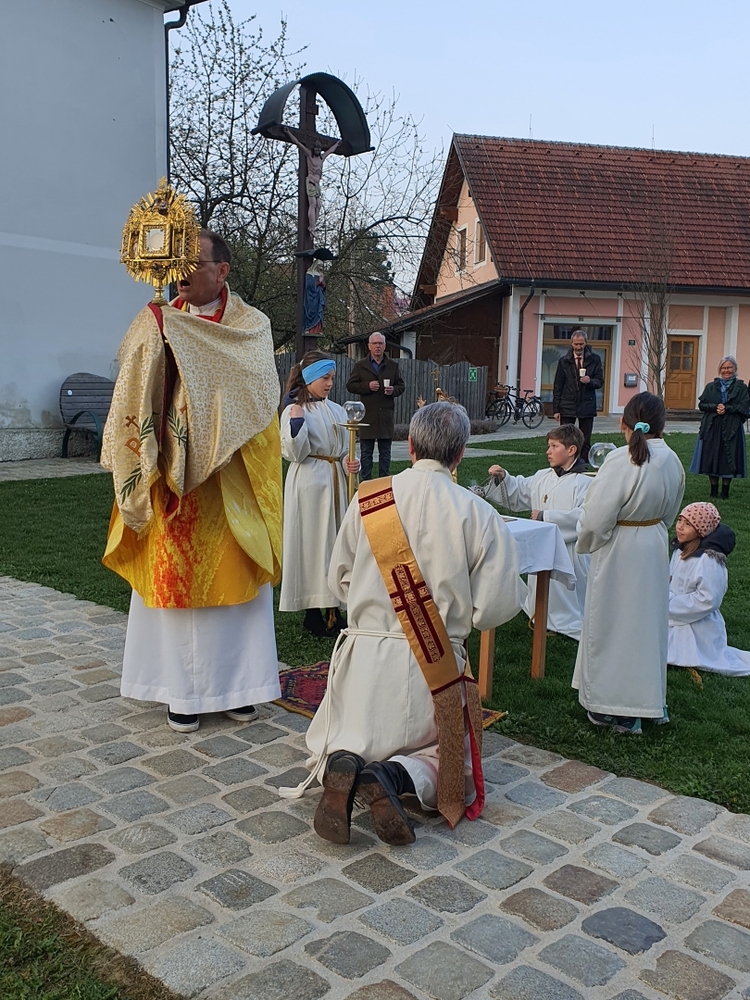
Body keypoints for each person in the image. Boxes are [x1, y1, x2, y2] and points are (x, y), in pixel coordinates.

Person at [280, 402, 524, 846]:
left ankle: (345, 761)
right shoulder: (477, 513)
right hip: (432, 665)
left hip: (363, 661)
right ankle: (393, 775)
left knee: (354, 734)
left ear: (409, 445)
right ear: (460, 454)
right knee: (451, 769)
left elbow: (339, 578)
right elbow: (496, 604)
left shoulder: (369, 498)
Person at [101, 229, 283, 733]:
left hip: (229, 484)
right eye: (176, 262)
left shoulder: (251, 326)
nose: (181, 272)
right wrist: (155, 346)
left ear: (222, 270)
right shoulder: (157, 317)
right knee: (176, 587)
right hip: (173, 482)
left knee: (234, 585)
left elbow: (255, 397)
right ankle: (180, 692)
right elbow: (133, 386)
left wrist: (188, 352)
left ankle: (240, 687)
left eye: (193, 262)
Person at [572, 392, 685, 734]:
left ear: (624, 423)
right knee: (644, 625)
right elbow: (671, 510)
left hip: (619, 548)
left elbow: (596, 518)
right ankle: (644, 701)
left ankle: (611, 706)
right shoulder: (672, 460)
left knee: (612, 623)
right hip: (651, 547)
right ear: (662, 425)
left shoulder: (620, 460)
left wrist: (588, 541)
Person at [279, 352, 360, 637]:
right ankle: (313, 612)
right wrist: (297, 423)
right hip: (310, 483)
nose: (330, 383)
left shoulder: (337, 410)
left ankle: (334, 608)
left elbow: (346, 447)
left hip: (334, 479)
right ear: (310, 378)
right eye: (325, 378)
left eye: (332, 378)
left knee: (336, 542)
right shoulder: (295, 409)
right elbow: (293, 452)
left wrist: (350, 462)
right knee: (313, 544)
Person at [485, 424, 591, 639]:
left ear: (571, 450)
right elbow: (520, 489)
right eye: (548, 445)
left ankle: (564, 618)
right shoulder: (543, 476)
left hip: (569, 551)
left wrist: (547, 517)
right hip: (544, 549)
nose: (548, 451)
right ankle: (539, 612)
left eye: (554, 446)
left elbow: (585, 516)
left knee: (566, 598)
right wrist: (504, 478)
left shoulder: (585, 482)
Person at [668, 503, 750, 676]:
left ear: (701, 529)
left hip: (695, 619)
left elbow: (708, 599)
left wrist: (671, 605)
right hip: (670, 609)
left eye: (688, 524)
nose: (680, 527)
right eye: (680, 520)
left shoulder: (708, 560)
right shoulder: (680, 549)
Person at [346, 332, 405, 480]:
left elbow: (401, 386)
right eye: (375, 343)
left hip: (385, 416)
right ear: (369, 346)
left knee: (385, 453)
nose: (377, 346)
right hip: (367, 416)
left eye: (380, 343)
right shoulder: (360, 366)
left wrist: (393, 390)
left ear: (384, 346)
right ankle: (365, 483)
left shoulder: (393, 366)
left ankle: (383, 483)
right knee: (366, 453)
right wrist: (367, 386)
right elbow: (350, 385)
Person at [689, 356, 749, 499]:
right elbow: (702, 405)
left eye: (729, 367)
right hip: (712, 426)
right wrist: (716, 407)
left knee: (728, 457)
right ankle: (713, 490)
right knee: (712, 456)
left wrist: (727, 408)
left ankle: (725, 491)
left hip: (732, 427)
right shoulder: (711, 386)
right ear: (720, 369)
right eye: (723, 368)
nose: (726, 370)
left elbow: (744, 408)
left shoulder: (741, 388)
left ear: (735, 369)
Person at [552, 330, 604, 464]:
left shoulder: (595, 359)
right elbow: (558, 385)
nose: (579, 347)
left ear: (586, 343)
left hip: (587, 404)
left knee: (585, 439)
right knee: (565, 438)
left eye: (581, 344)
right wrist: (556, 409)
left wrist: (590, 381)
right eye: (576, 344)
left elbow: (600, 381)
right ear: (571, 343)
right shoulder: (564, 361)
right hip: (567, 404)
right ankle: (565, 463)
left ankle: (583, 464)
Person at [283, 127, 341, 240]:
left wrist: (337, 144)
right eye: (316, 148)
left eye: (319, 149)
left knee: (319, 205)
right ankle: (312, 228)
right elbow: (298, 143)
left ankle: (313, 225)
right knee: (313, 204)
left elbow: (330, 151)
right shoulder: (309, 155)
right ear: (314, 149)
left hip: (317, 184)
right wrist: (288, 133)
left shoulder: (321, 158)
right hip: (310, 181)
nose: (318, 150)